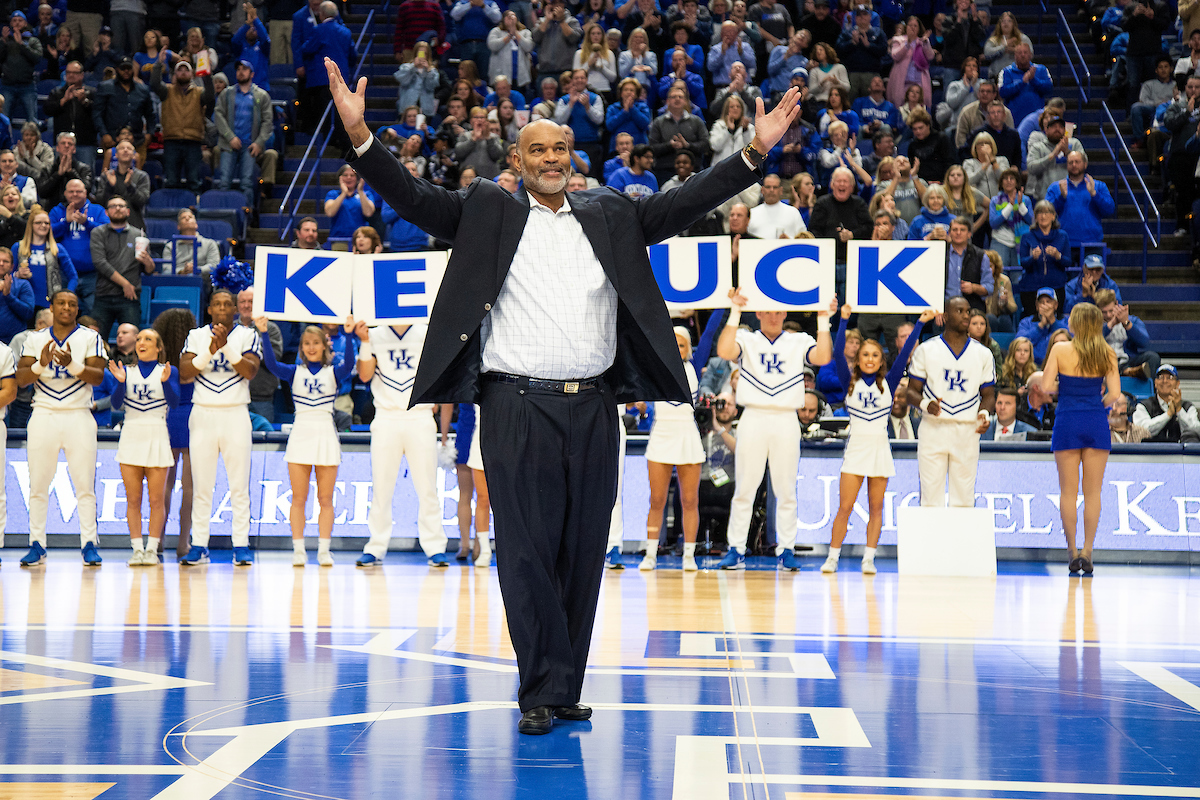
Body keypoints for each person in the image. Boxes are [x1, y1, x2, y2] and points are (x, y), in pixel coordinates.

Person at [326, 54, 804, 734]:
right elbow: (415, 198)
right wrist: (363, 140)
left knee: (581, 550)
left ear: (574, 157)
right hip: (515, 405)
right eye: (537, 149)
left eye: (560, 148)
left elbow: (686, 200)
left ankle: (564, 683)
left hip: (594, 407)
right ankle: (538, 689)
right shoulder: (488, 208)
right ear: (516, 159)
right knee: (524, 550)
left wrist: (755, 150)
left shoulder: (609, 211)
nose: (550, 158)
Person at [715, 288, 836, 570]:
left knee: (786, 489)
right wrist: (734, 310)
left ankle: (787, 549)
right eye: (767, 311)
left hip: (785, 419)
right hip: (753, 417)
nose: (773, 316)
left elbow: (823, 357)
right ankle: (736, 547)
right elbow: (723, 350)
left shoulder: (798, 340)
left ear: (785, 313)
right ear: (757, 313)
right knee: (745, 487)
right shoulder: (746, 339)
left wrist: (822, 320)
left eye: (778, 311)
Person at [823, 305, 932, 574]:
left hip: (880, 449)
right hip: (856, 449)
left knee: (876, 507)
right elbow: (837, 352)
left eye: (874, 355)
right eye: (865, 355)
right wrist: (844, 319)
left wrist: (919, 324)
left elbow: (905, 353)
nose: (870, 359)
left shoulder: (891, 381)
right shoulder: (848, 380)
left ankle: (868, 558)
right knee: (845, 507)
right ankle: (832, 557)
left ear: (881, 359)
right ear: (858, 359)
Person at [253, 314, 353, 566]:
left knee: (325, 498)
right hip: (301, 434)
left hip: (325, 434)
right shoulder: (292, 371)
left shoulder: (335, 372)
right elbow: (272, 365)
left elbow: (350, 362)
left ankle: (323, 549)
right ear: (301, 348)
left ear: (324, 345)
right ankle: (298, 549)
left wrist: (350, 335)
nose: (310, 347)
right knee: (299, 497)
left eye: (315, 343)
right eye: (306, 343)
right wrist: (264, 332)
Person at [15, 290, 106, 566]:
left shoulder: (91, 338)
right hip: (43, 413)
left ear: (77, 309)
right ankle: (37, 543)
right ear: (51, 307)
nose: (66, 307)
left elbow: (98, 377)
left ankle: (89, 542)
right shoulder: (35, 338)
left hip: (79, 415)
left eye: (72, 304)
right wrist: (43, 363)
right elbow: (20, 379)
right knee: (38, 484)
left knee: (84, 485)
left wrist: (72, 364)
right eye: (61, 303)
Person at [354, 316, 451, 567]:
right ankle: (375, 546)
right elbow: (364, 376)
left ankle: (434, 546)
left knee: (428, 487)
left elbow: (441, 371)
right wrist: (364, 342)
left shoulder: (427, 331)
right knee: (382, 488)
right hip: (387, 417)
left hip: (420, 416)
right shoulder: (374, 334)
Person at [178, 289, 263, 566]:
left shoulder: (248, 335)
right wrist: (211, 350)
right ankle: (199, 544)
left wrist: (225, 346)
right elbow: (185, 372)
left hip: (236, 414)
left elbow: (250, 371)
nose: (223, 308)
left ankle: (241, 544)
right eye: (218, 304)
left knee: (239, 485)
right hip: (202, 414)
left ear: (236, 309)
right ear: (210, 309)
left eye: (229, 304)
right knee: (202, 485)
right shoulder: (195, 335)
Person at [1042, 302, 1120, 573]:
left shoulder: (1060, 349)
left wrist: (1067, 389)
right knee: (1093, 492)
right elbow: (1114, 394)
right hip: (1095, 419)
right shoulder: (1107, 352)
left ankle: (1072, 550)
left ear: (1073, 324)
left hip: (1067, 420)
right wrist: (1095, 400)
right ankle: (1088, 550)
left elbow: (1046, 386)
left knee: (1068, 492)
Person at [638, 315, 720, 572]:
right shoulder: (654, 366)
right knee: (657, 499)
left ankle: (688, 556)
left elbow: (707, 336)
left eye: (682, 344)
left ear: (688, 349)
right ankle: (650, 554)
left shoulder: (694, 369)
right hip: (662, 433)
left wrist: (722, 305)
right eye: (673, 343)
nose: (677, 348)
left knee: (689, 500)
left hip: (687, 434)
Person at [905, 296, 996, 508]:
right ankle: (930, 541)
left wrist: (983, 414)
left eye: (968, 311)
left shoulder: (983, 353)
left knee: (964, 497)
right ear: (945, 316)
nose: (966, 315)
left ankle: (961, 542)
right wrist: (926, 404)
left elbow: (989, 394)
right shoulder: (926, 350)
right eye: (960, 311)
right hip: (933, 428)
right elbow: (911, 392)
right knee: (930, 496)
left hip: (967, 430)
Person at [109, 328, 179, 565]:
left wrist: (167, 382)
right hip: (131, 433)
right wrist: (120, 384)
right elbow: (117, 404)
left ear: (158, 347)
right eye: (139, 339)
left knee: (157, 499)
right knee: (133, 499)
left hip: (157, 433)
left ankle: (152, 549)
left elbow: (175, 402)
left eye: (148, 339)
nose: (141, 343)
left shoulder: (168, 371)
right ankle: (137, 548)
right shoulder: (125, 372)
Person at [89, 195, 154, 338]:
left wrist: (149, 263)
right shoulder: (98, 233)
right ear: (106, 212)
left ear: (128, 212)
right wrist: (125, 284)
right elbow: (100, 263)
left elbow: (148, 271)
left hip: (129, 298)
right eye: (113, 206)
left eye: (121, 206)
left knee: (132, 341)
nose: (117, 209)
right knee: (95, 339)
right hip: (103, 296)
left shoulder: (139, 235)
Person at [215, 59, 278, 206]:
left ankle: (246, 216)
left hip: (250, 146)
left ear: (252, 74)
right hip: (229, 144)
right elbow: (219, 116)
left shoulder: (261, 96)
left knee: (247, 183)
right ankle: (224, 212)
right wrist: (230, 137)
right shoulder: (226, 93)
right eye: (238, 69)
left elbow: (267, 122)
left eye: (244, 69)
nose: (240, 72)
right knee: (224, 182)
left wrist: (259, 142)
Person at [151, 54, 214, 193]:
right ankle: (172, 209)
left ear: (192, 74)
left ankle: (193, 209)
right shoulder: (167, 91)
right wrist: (158, 64)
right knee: (172, 180)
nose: (183, 72)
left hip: (193, 141)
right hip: (171, 140)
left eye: (186, 70)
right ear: (175, 74)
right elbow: (155, 84)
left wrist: (206, 74)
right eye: (180, 70)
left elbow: (210, 95)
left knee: (193, 180)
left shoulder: (199, 93)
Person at [1043, 151, 1116, 257]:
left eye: (1077, 162)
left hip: (1092, 243)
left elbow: (1109, 210)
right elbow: (1045, 215)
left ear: (1085, 164)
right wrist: (1061, 197)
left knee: (1092, 274)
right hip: (1063, 244)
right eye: (1070, 162)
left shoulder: (1099, 186)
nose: (1074, 165)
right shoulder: (1056, 188)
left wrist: (1094, 194)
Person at [92, 57, 155, 158]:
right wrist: (104, 134)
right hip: (111, 140)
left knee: (137, 172)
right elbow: (97, 113)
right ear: (117, 69)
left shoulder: (143, 89)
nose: (126, 71)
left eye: (129, 68)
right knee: (110, 172)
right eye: (123, 68)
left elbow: (150, 114)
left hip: (137, 140)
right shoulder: (105, 87)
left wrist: (149, 133)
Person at [647, 84, 710, 184]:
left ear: (685, 101)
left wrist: (687, 145)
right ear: (667, 101)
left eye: (680, 97)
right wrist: (669, 145)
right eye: (673, 97)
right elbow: (652, 148)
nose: (677, 99)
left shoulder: (697, 121)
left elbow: (706, 145)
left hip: (693, 172)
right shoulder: (658, 122)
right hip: (665, 172)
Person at [1016, 201, 1072, 314]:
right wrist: (1033, 258)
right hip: (1031, 288)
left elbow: (1068, 262)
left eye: (1047, 212)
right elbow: (1023, 262)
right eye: (1040, 213)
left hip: (1056, 286)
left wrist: (1058, 256)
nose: (1043, 216)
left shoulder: (1062, 236)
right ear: (1035, 217)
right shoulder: (1027, 236)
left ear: (1053, 216)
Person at [14, 204, 75, 305]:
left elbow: (73, 276)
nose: (43, 226)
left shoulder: (57, 249)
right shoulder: (18, 247)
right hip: (23, 303)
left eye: (46, 223)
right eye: (38, 223)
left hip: (50, 304)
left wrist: (66, 296)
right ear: (31, 225)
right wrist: (18, 274)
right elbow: (7, 276)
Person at [1095, 288, 1158, 380]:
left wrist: (1127, 324)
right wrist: (1110, 325)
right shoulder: (1093, 323)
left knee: (1153, 357)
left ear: (1117, 304)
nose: (1108, 315)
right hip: (1103, 362)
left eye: (1111, 311)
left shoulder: (1132, 320)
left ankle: (1149, 391)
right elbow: (1091, 341)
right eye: (1104, 312)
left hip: (1127, 360)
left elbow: (1144, 342)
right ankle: (1128, 372)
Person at [1133, 363, 1200, 443]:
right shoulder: (1143, 406)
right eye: (1161, 377)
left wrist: (1179, 410)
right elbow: (1141, 431)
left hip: (1179, 453)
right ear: (1155, 383)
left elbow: (1195, 431)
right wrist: (1168, 414)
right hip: (1151, 452)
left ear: (1177, 383)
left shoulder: (1188, 407)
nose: (1165, 381)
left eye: (1170, 378)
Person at [0, 10, 43, 126]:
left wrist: (21, 44)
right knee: (3, 120)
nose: (17, 23)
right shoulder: (4, 41)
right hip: (7, 85)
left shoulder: (33, 41)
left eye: (20, 20)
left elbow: (36, 58)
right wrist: (3, 42)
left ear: (25, 23)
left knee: (32, 121)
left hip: (27, 86)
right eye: (14, 20)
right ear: (10, 23)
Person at [1025, 115, 1083, 201]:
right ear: (1046, 130)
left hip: (1071, 196)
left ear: (1064, 130)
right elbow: (1032, 168)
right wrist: (1052, 155)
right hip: (1045, 198)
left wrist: (1067, 152)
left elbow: (1084, 163)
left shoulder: (1074, 143)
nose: (1057, 129)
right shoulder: (1038, 147)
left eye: (1060, 127)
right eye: (1053, 127)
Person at [95, 140, 151, 229]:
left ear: (134, 155)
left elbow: (142, 201)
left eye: (129, 148)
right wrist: (110, 186)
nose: (125, 150)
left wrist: (130, 186)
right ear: (116, 155)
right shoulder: (107, 176)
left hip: (135, 225)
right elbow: (100, 202)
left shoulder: (142, 176)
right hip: (109, 226)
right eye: (122, 148)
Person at [997, 43, 1053, 126]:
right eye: (1019, 53)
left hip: (1037, 120)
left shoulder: (1041, 69)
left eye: (1025, 52)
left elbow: (1049, 88)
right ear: (1015, 55)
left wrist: (1033, 80)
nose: (1022, 55)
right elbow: (1003, 92)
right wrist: (1022, 82)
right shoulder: (1006, 72)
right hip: (1014, 120)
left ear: (1030, 55)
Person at [36, 132, 93, 209]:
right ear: (57, 148)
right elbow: (42, 193)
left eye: (70, 144)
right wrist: (58, 175)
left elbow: (86, 190)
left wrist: (71, 172)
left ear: (74, 149)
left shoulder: (84, 168)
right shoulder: (48, 169)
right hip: (53, 209)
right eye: (63, 143)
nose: (66, 146)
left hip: (78, 209)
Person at [887, 16, 934, 110]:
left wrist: (926, 42)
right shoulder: (898, 40)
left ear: (919, 28)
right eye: (910, 25)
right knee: (900, 108)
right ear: (906, 27)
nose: (912, 28)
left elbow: (930, 56)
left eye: (915, 26)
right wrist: (907, 44)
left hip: (919, 82)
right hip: (902, 82)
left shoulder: (922, 41)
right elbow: (895, 56)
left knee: (921, 109)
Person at [324, 164, 378, 242]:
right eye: (345, 175)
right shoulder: (332, 194)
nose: (349, 178)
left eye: (352, 175)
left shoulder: (367, 194)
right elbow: (330, 212)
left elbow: (368, 213)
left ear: (357, 178)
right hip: (338, 238)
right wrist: (343, 193)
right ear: (340, 178)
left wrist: (360, 191)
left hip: (360, 240)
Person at [746, 172, 804, 238]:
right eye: (768, 187)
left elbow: (803, 238)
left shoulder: (793, 212)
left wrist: (789, 239)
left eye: (775, 187)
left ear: (781, 190)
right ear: (762, 190)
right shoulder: (752, 213)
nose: (771, 190)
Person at [0, 246, 32, 341]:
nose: (1, 264)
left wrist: (8, 296)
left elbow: (28, 313)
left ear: (12, 266)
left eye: (5, 261)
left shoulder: (23, 284)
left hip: (14, 341)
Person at [984, 248, 1017, 332]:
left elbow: (1013, 308)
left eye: (990, 266)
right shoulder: (976, 280)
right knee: (990, 318)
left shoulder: (1004, 280)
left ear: (996, 266)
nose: (987, 269)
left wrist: (1006, 302)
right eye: (985, 266)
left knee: (1005, 320)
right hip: (981, 317)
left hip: (1000, 315)